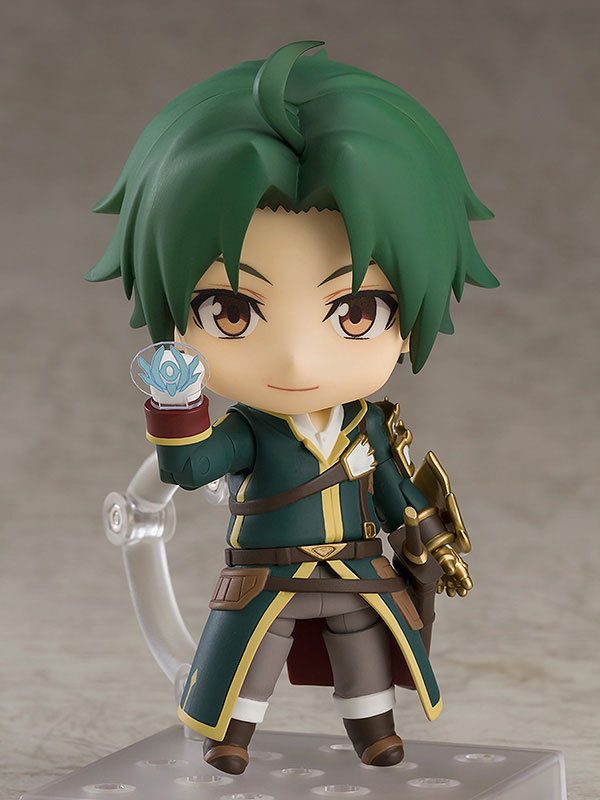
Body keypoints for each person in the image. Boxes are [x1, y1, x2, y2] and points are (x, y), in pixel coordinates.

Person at [88, 40, 498, 775]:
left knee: (364, 646)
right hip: (268, 576)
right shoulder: (249, 428)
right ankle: (232, 737)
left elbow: (397, 493)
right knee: (251, 657)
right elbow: (189, 468)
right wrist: (177, 403)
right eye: (233, 311)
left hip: (355, 571)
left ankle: (374, 732)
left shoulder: (368, 424)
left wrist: (432, 539)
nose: (297, 362)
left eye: (356, 312)